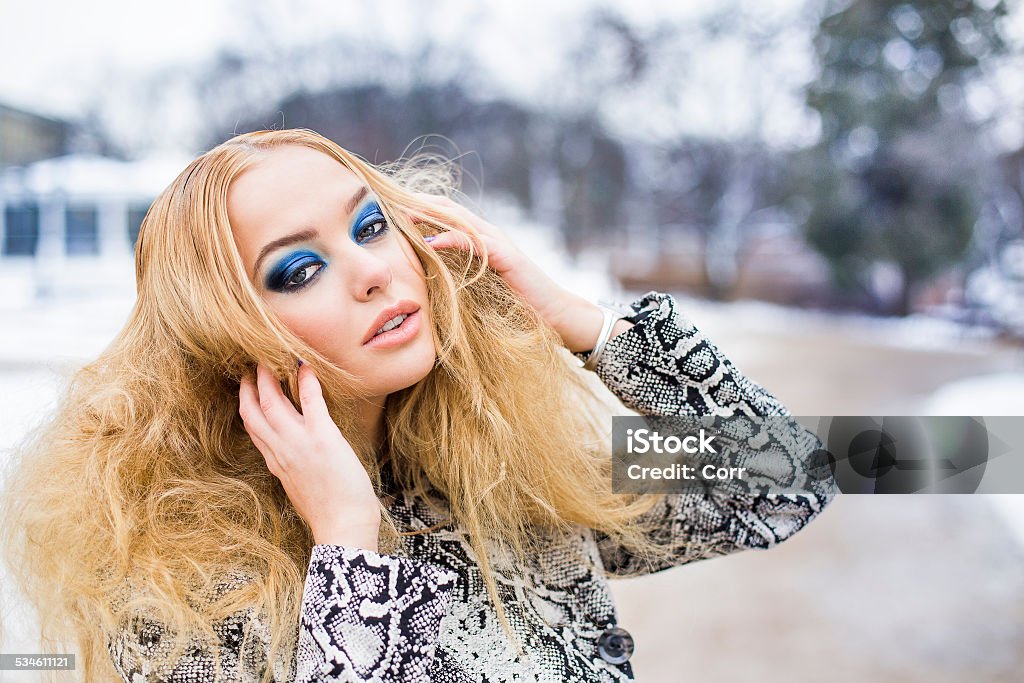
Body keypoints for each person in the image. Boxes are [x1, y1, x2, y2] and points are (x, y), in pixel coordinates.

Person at [0, 128, 838, 682]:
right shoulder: (176, 593)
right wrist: (346, 551)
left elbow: (780, 479)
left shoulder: (501, 469)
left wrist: (586, 326)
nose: (373, 270)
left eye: (368, 226)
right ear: (226, 341)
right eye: (299, 268)